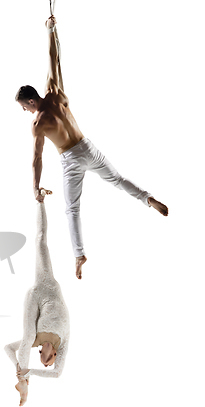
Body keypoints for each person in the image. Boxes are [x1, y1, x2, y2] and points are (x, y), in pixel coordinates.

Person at [15, 15, 169, 280]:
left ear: (30, 101)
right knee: (118, 180)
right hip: (88, 147)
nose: (24, 111)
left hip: (71, 160)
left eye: (23, 107)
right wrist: (51, 30)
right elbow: (55, 61)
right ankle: (147, 198)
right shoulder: (55, 92)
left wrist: (34, 188)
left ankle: (79, 255)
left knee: (72, 209)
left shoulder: (38, 123)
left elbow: (37, 158)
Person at [4, 191, 70, 406]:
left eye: (40, 352)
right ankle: (40, 200)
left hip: (35, 297)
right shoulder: (64, 341)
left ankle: (22, 383)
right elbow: (58, 373)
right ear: (53, 355)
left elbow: (7, 348)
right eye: (44, 353)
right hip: (48, 284)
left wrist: (24, 370)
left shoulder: (36, 341)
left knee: (26, 340)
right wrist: (30, 370)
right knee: (41, 242)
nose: (42, 349)